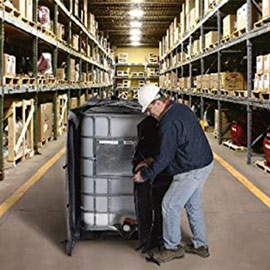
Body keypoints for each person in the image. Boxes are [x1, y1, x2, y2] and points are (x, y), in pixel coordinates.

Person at [133, 85, 214, 264]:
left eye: (148, 109)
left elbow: (165, 158)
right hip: (204, 162)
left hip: (191, 168)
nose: (148, 114)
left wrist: (145, 174)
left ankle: (171, 248)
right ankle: (201, 245)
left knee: (170, 205)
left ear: (158, 102)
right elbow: (170, 149)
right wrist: (148, 161)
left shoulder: (167, 123)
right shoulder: (179, 108)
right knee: (193, 205)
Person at [132, 116, 172, 253]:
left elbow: (166, 153)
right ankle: (150, 240)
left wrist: (147, 162)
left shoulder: (166, 125)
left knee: (157, 206)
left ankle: (152, 240)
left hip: (158, 170)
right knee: (151, 205)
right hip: (153, 169)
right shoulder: (148, 124)